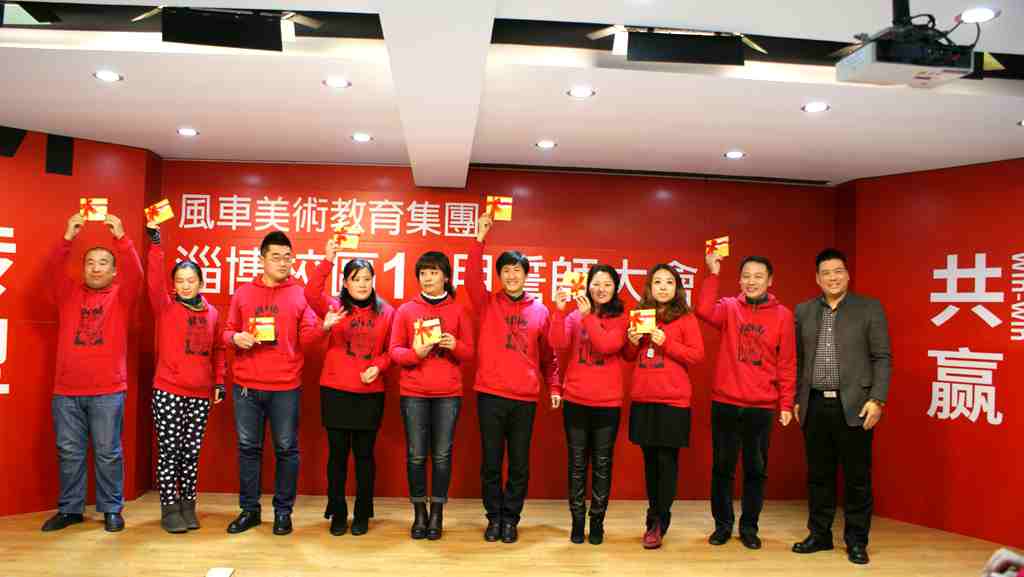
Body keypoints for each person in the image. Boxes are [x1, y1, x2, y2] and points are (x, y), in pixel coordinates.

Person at [41, 212, 142, 533]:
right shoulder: (67, 293)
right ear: (83, 268)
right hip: (67, 391)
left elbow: (137, 273)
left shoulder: (122, 296)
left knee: (108, 453)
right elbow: (50, 271)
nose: (96, 268)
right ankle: (70, 509)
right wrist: (67, 237)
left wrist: (121, 237)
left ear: (114, 271)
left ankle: (111, 509)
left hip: (108, 390)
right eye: (90, 263)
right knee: (69, 452)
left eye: (103, 263)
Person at [792, 248, 891, 565]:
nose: (832, 278)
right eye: (826, 273)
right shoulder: (804, 311)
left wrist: (877, 399)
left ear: (847, 275)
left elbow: (882, 357)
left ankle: (857, 541)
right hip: (814, 404)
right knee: (818, 476)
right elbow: (797, 360)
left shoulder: (869, 308)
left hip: (856, 405)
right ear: (817, 279)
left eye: (838, 271)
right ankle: (819, 535)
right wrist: (797, 398)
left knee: (857, 478)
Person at [467, 213, 558, 544]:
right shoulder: (487, 303)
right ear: (500, 275)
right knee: (491, 462)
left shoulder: (541, 311)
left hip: (524, 399)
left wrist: (555, 387)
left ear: (526, 275)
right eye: (505, 270)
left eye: (517, 270)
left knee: (519, 464)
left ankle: (511, 519)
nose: (511, 275)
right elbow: (471, 279)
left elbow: (549, 357)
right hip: (490, 394)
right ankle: (494, 518)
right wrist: (480, 238)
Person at [695, 252, 796, 550]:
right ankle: (723, 525)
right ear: (739, 280)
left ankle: (749, 527)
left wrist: (786, 403)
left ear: (770, 280)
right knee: (722, 468)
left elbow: (787, 363)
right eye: (746, 276)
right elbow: (703, 310)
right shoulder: (729, 308)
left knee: (755, 470)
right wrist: (713, 273)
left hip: (761, 406)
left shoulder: (783, 316)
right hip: (725, 402)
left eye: (758, 276)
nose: (752, 281)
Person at [223, 231, 320, 536]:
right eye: (276, 257)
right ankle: (249, 510)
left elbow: (308, 339)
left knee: (287, 449)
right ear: (262, 259)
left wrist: (324, 326)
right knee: (248, 449)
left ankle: (283, 512)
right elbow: (226, 331)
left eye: (287, 257)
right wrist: (235, 338)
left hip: (285, 386)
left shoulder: (300, 294)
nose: (282, 262)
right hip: (246, 386)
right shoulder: (243, 293)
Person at [304, 239, 394, 536]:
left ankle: (363, 513)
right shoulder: (334, 307)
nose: (362, 284)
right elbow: (310, 293)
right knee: (338, 456)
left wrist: (378, 367)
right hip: (336, 390)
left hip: (369, 393)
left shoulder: (387, 312)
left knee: (365, 456)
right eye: (356, 279)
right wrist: (328, 259)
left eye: (367, 279)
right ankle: (338, 511)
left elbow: (391, 350)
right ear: (345, 283)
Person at [144, 222, 226, 534]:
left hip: (200, 394)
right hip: (168, 391)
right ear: (174, 285)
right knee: (170, 452)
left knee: (191, 454)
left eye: (191, 280)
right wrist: (155, 243)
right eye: (179, 281)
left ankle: (188, 505)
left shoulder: (212, 313)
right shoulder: (165, 307)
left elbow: (218, 349)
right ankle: (169, 508)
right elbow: (153, 280)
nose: (186, 285)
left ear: (201, 282)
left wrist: (219, 381)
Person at [389, 251, 475, 540]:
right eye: (423, 273)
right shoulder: (406, 310)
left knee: (441, 455)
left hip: (448, 393)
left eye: (433, 272)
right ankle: (419, 513)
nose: (427, 278)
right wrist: (415, 353)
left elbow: (470, 352)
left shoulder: (459, 310)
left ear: (446, 277)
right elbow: (395, 351)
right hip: (413, 392)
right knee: (415, 455)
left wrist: (455, 345)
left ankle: (437, 513)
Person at [624, 264, 704, 549]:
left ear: (677, 288)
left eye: (669, 282)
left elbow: (697, 356)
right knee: (650, 463)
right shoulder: (640, 314)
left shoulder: (686, 318)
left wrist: (667, 342)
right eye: (657, 282)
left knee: (666, 463)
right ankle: (653, 517)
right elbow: (629, 356)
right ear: (649, 287)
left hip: (672, 401)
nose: (662, 287)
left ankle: (659, 520)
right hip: (644, 398)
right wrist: (632, 342)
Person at [549, 264, 628, 545]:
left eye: (607, 284)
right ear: (587, 285)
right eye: (596, 283)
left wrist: (588, 317)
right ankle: (577, 522)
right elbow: (557, 343)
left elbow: (607, 346)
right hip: (576, 399)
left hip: (607, 402)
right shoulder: (574, 315)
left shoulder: (621, 319)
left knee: (603, 465)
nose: (601, 289)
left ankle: (597, 522)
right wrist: (559, 311)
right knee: (577, 464)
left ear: (615, 288)